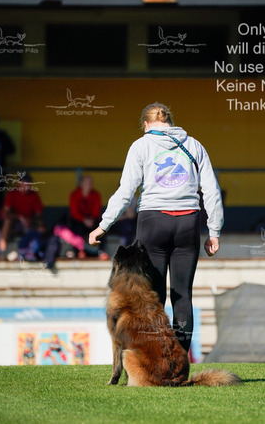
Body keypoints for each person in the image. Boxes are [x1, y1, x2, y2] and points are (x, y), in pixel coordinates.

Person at [88, 102, 224, 354]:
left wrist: (103, 225)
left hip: (153, 222)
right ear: (170, 122)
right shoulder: (194, 145)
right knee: (183, 295)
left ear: (146, 125)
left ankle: (157, 357)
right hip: (188, 222)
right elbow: (211, 191)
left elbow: (126, 191)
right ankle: (180, 362)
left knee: (153, 295)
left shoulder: (140, 146)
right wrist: (214, 231)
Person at [0, 174, 44, 253]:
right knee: (7, 221)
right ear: (19, 183)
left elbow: (39, 214)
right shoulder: (12, 193)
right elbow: (5, 213)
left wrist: (35, 223)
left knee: (38, 229)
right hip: (14, 223)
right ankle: (2, 249)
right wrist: (20, 217)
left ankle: (30, 251)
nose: (28, 186)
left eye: (29, 184)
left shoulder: (34, 195)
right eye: (25, 184)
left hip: (29, 223)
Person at [68, 175, 108, 259]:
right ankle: (79, 251)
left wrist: (91, 220)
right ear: (81, 184)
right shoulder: (75, 194)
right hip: (79, 221)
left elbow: (96, 211)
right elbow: (74, 213)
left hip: (92, 220)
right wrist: (84, 220)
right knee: (76, 228)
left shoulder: (95, 195)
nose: (88, 184)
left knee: (102, 228)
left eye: (90, 183)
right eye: (86, 182)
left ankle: (101, 251)